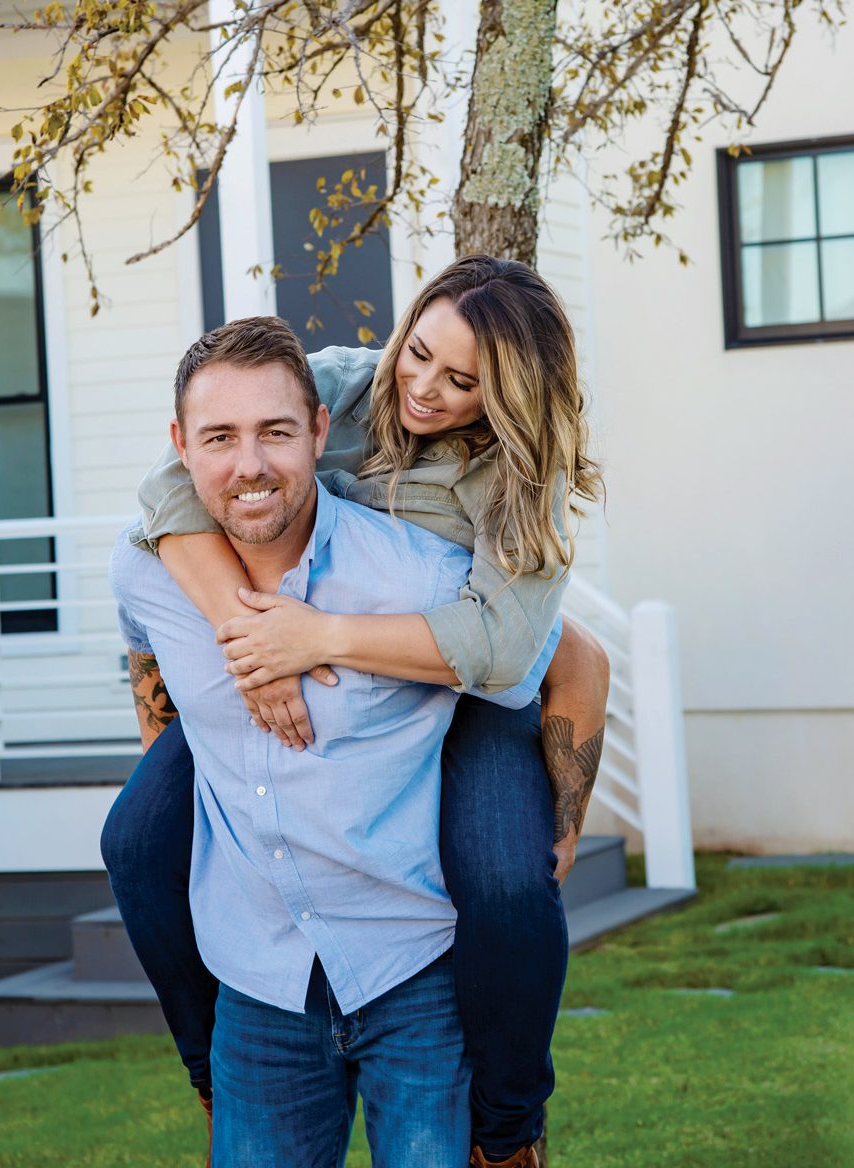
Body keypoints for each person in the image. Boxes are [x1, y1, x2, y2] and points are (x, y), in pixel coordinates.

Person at [103, 256, 609, 1168]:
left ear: (510, 397)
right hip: (280, 638)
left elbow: (521, 656)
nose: (421, 388)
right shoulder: (342, 381)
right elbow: (173, 490)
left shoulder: (518, 483)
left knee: (505, 879)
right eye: (418, 353)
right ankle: (214, 1074)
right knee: (136, 841)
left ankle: (506, 1129)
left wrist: (316, 638)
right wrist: (247, 640)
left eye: (461, 382)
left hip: (460, 682)